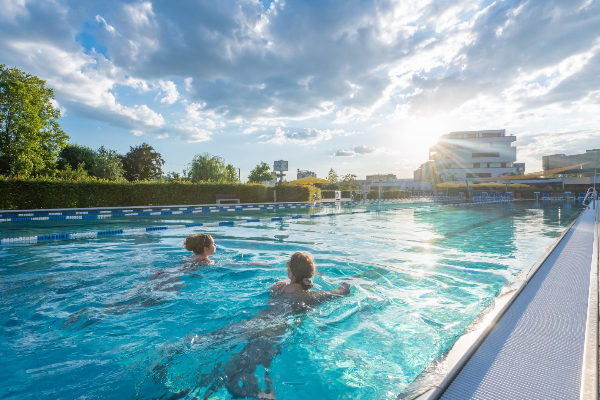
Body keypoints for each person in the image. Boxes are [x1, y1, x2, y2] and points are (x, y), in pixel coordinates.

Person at [150, 252, 350, 399]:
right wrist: (345, 285)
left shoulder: (278, 288)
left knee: (207, 342)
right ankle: (191, 393)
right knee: (230, 373)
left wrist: (292, 278)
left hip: (249, 324)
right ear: (310, 275)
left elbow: (279, 285)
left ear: (289, 273)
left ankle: (170, 363)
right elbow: (341, 292)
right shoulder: (312, 297)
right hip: (269, 336)